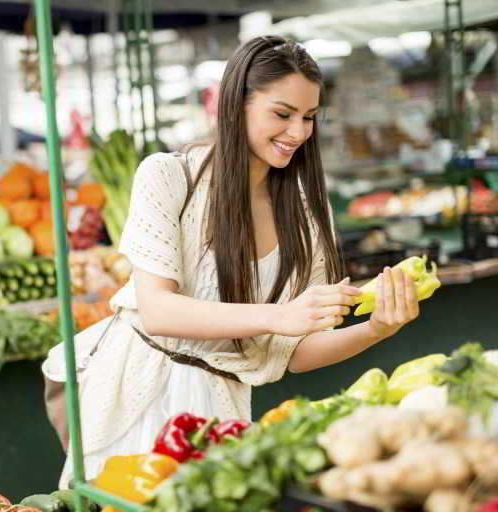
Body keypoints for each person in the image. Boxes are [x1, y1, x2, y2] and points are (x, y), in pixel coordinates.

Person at [42, 36, 422, 487]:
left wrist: (377, 328)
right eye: (282, 114)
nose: (298, 133)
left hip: (219, 410)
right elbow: (159, 311)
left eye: (309, 118)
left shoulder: (304, 213)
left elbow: (294, 354)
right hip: (138, 393)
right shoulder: (168, 175)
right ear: (234, 104)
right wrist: (280, 315)